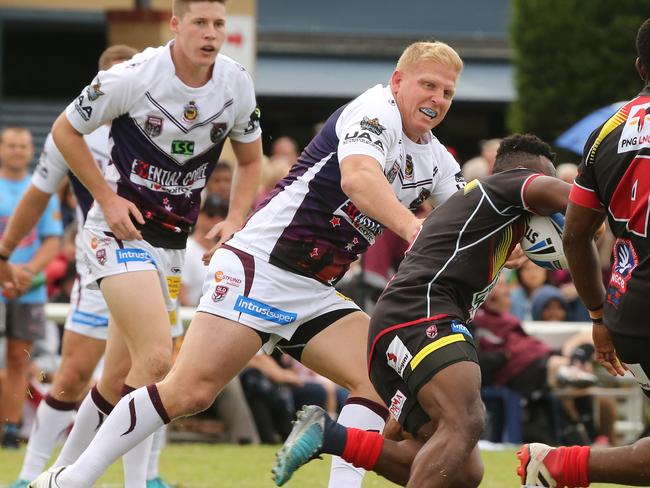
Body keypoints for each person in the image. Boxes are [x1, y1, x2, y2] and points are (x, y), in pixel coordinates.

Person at [31, 38, 466, 488]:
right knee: (188, 391)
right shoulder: (374, 111)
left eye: (447, 92)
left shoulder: (435, 157)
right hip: (260, 268)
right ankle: (67, 480)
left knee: (375, 378)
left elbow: (468, 223)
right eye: (428, 85)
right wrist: (415, 229)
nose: (437, 99)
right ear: (397, 81)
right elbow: (358, 178)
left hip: (313, 290)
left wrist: (512, 239)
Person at [272, 133, 571, 488]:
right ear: (527, 174)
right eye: (545, 180)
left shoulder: (493, 222)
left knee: (463, 472)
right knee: (466, 420)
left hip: (398, 326)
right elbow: (575, 199)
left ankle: (329, 435)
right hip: (420, 313)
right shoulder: (508, 182)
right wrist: (592, 222)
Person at [0, 46, 182, 488]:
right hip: (103, 261)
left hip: (165, 261)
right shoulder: (75, 133)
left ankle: (140, 476)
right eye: (109, 80)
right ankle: (33, 474)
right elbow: (39, 195)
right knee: (75, 374)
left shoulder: (169, 123)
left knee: (153, 372)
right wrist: (5, 254)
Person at [517, 17, 650, 488]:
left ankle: (558, 465)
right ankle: (560, 465)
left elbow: (576, 236)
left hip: (630, 312)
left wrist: (597, 316)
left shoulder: (604, 135)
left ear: (639, 67)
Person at [0, 126, 62, 449]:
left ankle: (11, 430)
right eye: (11, 145)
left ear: (30, 150)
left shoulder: (40, 190)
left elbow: (53, 240)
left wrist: (27, 273)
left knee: (18, 359)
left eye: (22, 146)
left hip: (29, 288)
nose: (17, 151)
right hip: (2, 281)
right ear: (1, 149)